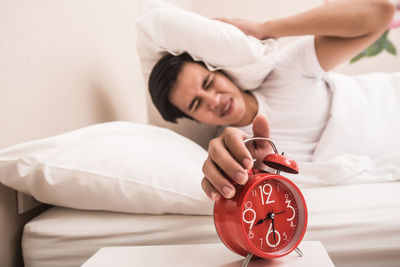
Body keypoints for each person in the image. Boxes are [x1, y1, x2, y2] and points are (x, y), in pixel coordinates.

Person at [148, 0, 397, 201]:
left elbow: (380, 12)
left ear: (220, 71)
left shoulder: (284, 71)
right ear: (194, 119)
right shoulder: (239, 150)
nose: (213, 100)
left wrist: (265, 29)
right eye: (196, 105)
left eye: (208, 84)